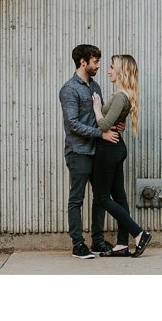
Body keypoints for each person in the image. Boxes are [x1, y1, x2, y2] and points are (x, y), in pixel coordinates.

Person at [58, 44, 119, 259]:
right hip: (79, 151)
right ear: (83, 62)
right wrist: (101, 134)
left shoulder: (95, 87)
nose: (98, 66)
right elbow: (73, 124)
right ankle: (78, 244)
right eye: (95, 62)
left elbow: (100, 116)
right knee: (77, 199)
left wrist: (113, 124)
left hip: (97, 151)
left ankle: (98, 241)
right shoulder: (69, 89)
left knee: (101, 197)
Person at [91, 54, 152, 258]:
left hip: (109, 149)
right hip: (116, 148)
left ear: (121, 71)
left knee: (102, 197)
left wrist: (97, 109)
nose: (108, 71)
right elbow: (115, 121)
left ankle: (139, 233)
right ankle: (122, 244)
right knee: (119, 197)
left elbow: (104, 125)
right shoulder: (124, 95)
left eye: (111, 67)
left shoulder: (120, 96)